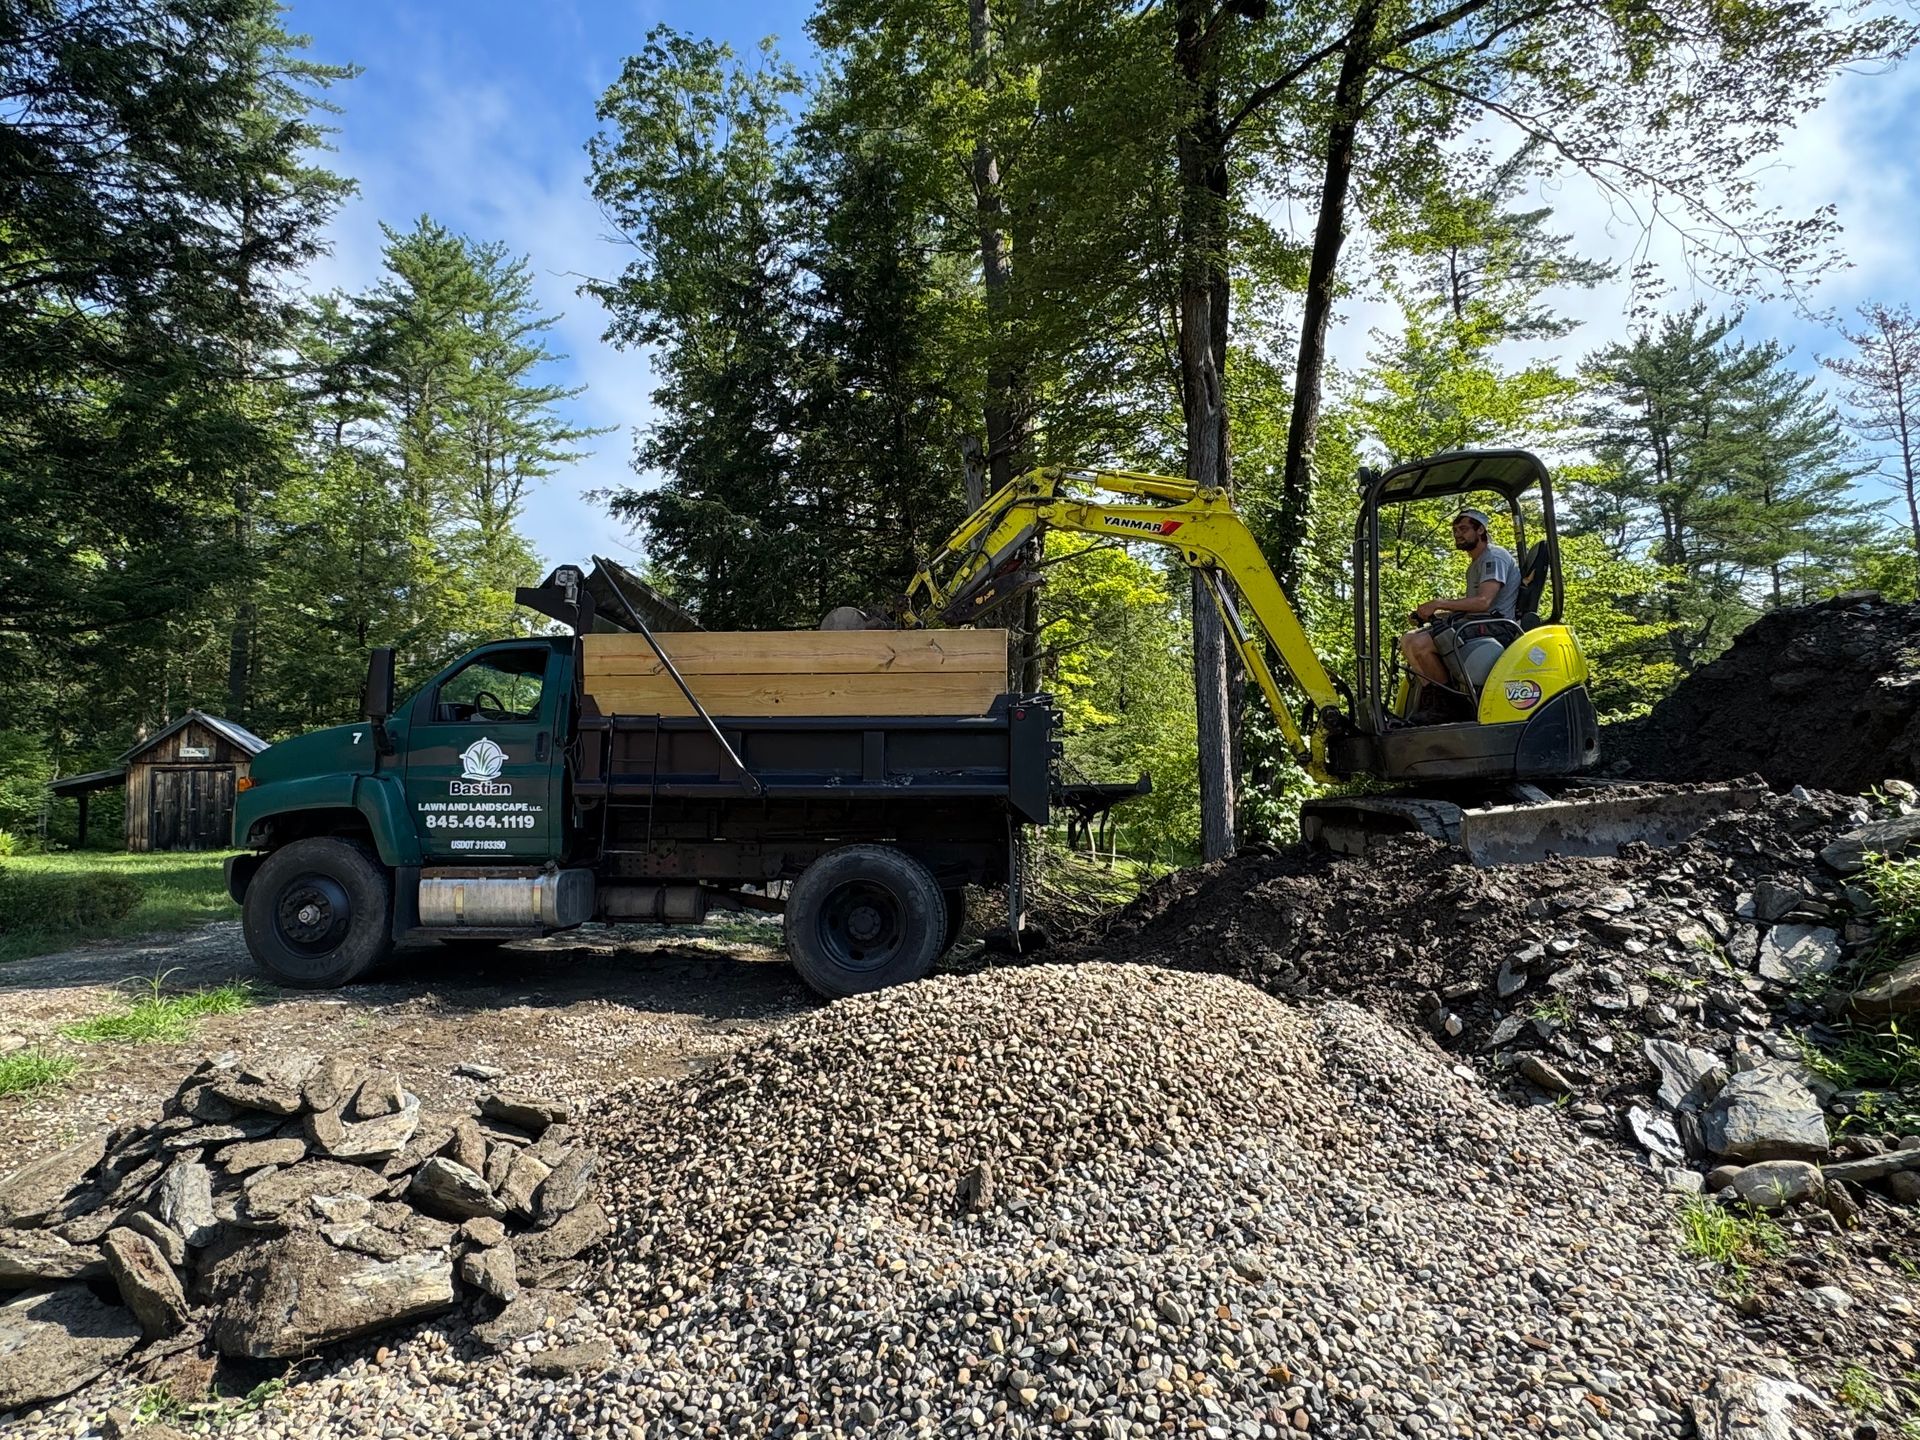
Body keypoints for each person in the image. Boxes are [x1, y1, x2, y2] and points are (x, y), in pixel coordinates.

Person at [1398, 508, 1521, 692]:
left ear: (1480, 530)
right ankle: (1432, 697)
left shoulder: (1493, 557)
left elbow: (1483, 602)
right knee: (1407, 639)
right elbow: (1472, 607)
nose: (1457, 534)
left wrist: (1439, 603)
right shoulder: (1474, 565)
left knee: (1420, 644)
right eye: (1455, 530)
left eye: (1463, 529)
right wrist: (1437, 615)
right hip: (1477, 622)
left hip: (1497, 627)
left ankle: (1449, 704)